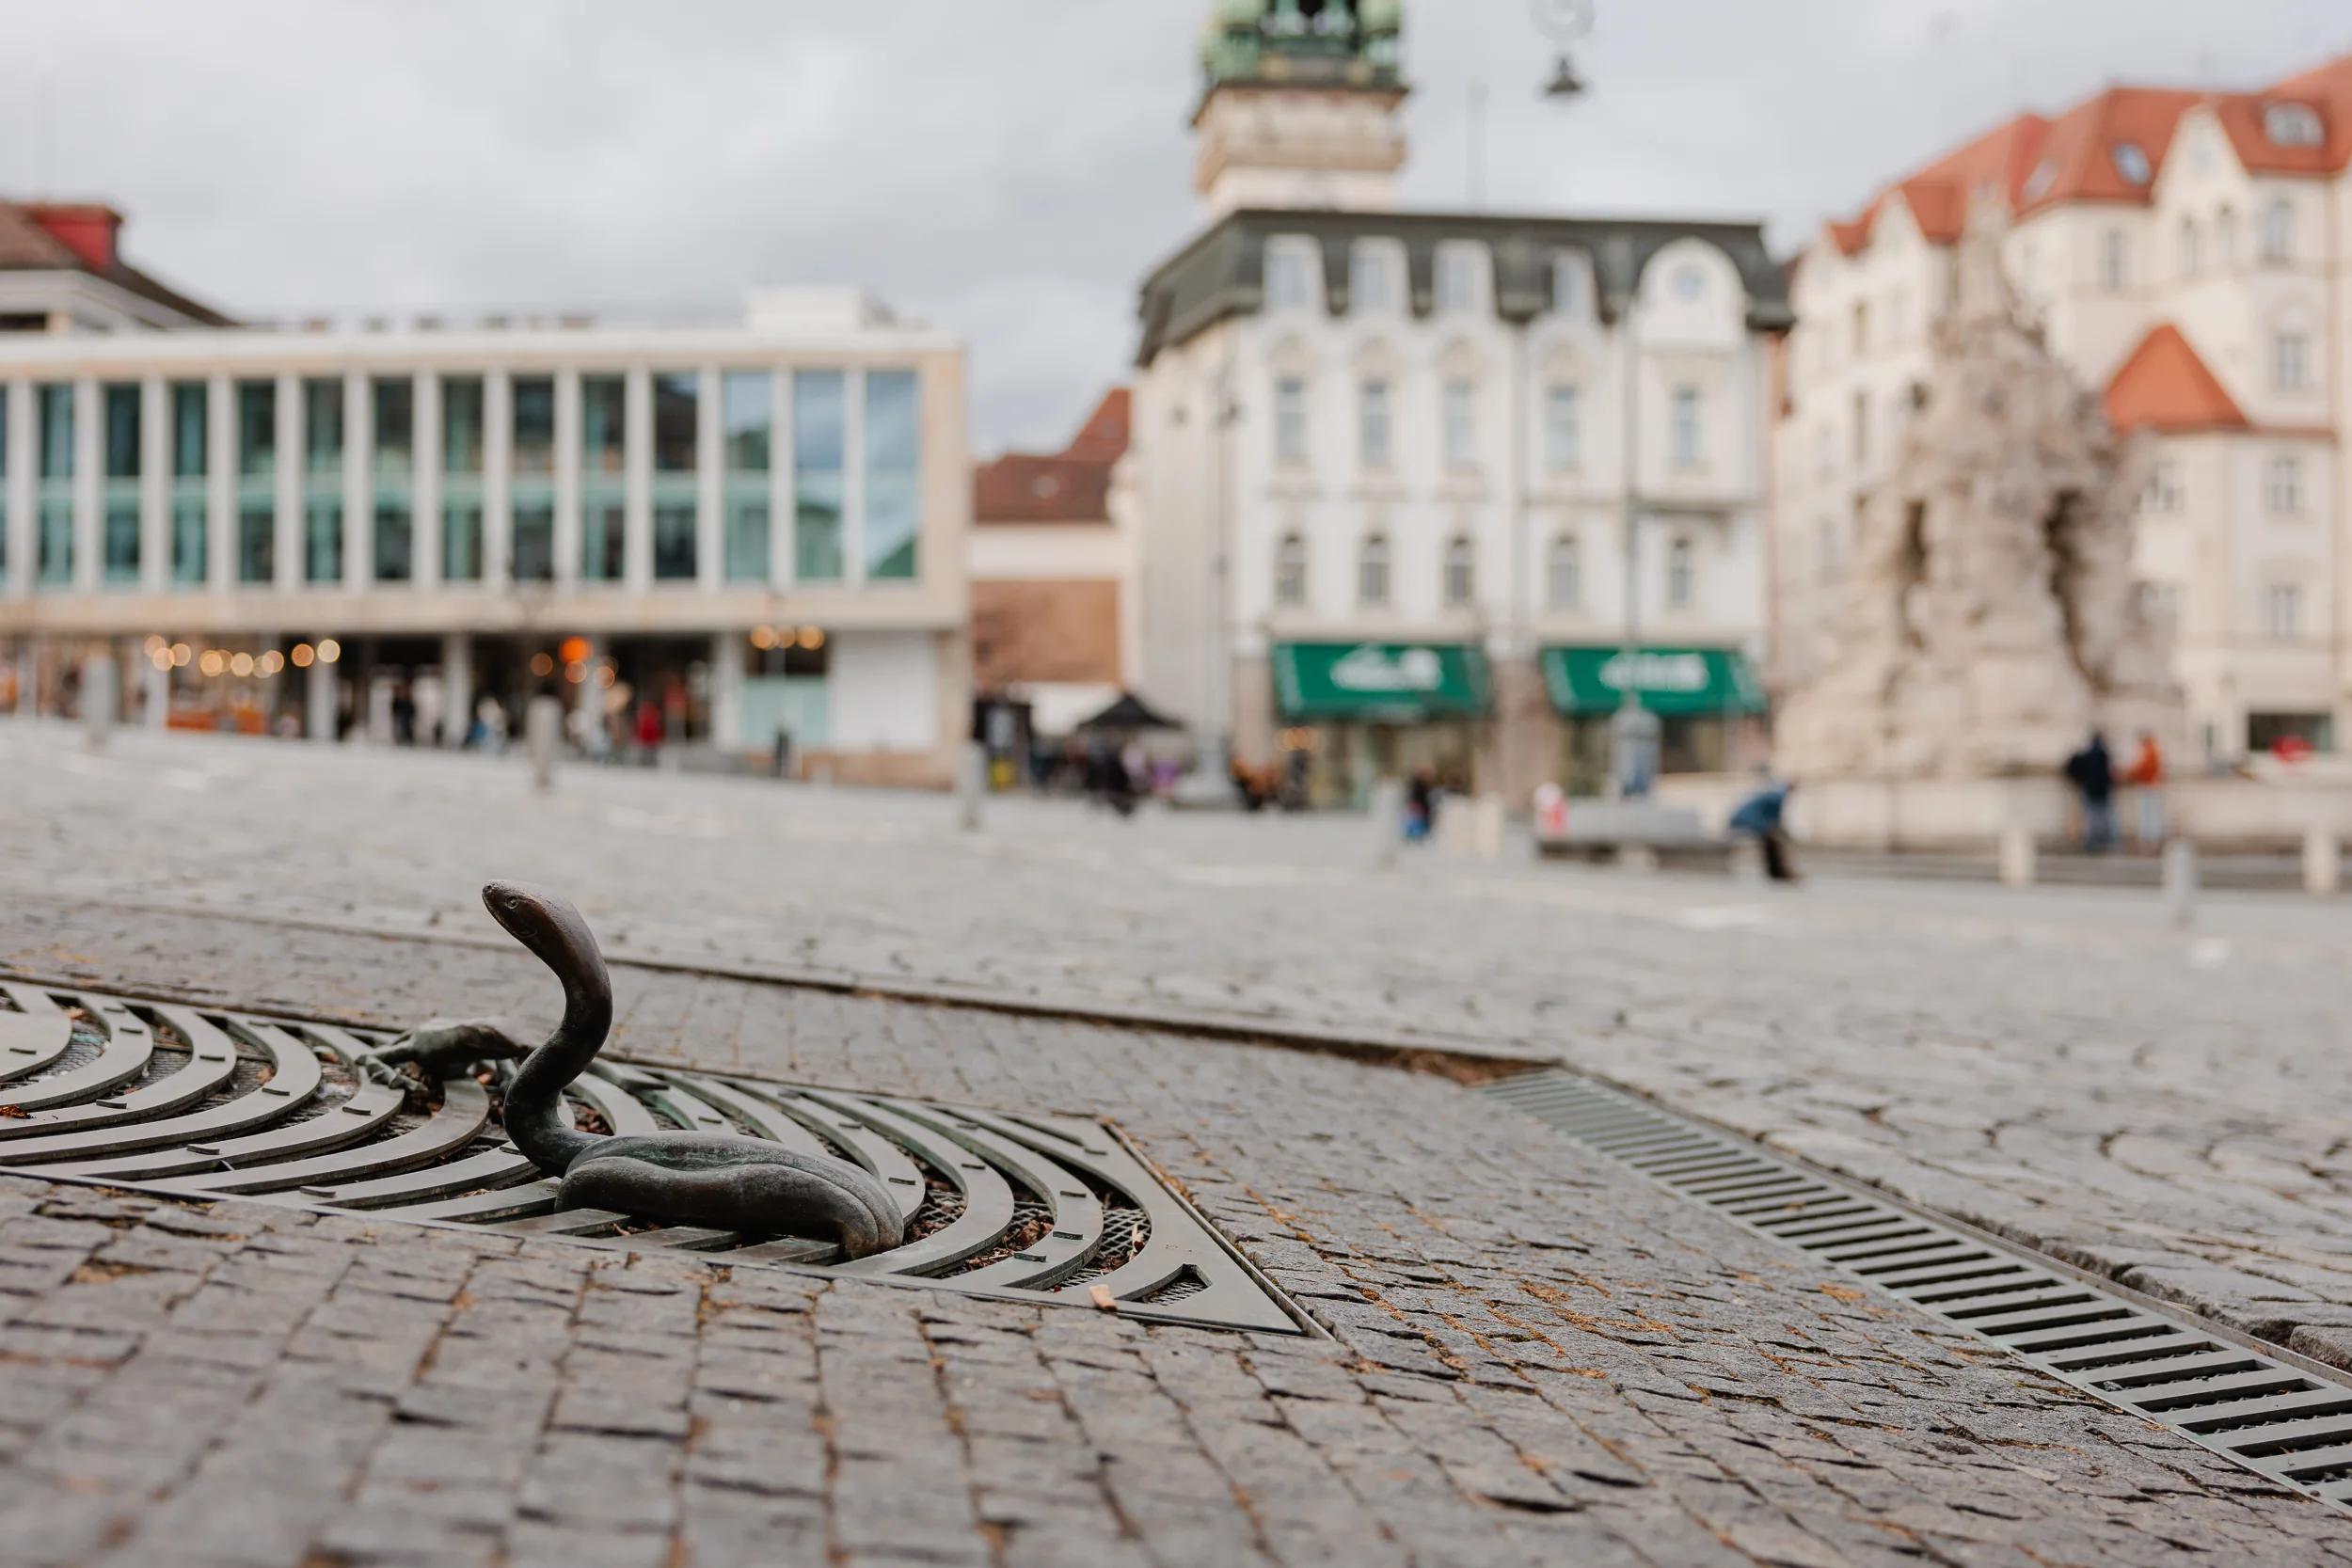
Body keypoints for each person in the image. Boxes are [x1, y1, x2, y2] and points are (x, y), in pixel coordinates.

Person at [1729, 778, 1799, 882]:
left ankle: (1777, 871)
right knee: (1772, 842)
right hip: (1749, 821)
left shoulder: (1773, 793)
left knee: (1772, 841)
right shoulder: (1778, 797)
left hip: (1748, 820)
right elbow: (1775, 819)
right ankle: (1778, 871)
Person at [2064, 731, 2117, 852]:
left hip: (2090, 789)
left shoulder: (2087, 755)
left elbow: (2079, 768)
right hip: (2103, 789)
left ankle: (2093, 839)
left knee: (2091, 816)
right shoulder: (2104, 755)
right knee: (2104, 815)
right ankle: (2107, 838)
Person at [2123, 729, 2164, 848]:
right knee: (2152, 816)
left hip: (2148, 786)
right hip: (2152, 786)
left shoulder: (2149, 752)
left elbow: (2140, 768)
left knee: (2148, 816)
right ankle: (2152, 840)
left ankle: (2150, 840)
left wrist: (2129, 774)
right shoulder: (2153, 751)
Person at [1404, 767, 1438, 844]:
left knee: (1416, 821)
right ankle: (1415, 837)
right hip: (1418, 806)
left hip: (1417, 806)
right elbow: (1419, 796)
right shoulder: (1419, 785)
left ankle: (1413, 836)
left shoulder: (1417, 785)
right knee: (1417, 822)